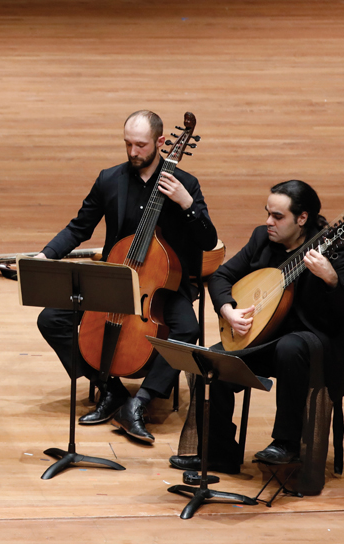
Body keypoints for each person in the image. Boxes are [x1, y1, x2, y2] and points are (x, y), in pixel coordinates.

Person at [34, 110, 218, 443]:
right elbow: (79, 227)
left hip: (164, 286)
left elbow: (208, 240)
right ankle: (110, 388)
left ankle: (140, 402)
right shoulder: (110, 179)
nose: (133, 152)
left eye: (141, 145)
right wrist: (46, 256)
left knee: (187, 329)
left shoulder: (185, 184)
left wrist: (186, 203)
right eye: (128, 144)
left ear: (161, 142)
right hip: (117, 279)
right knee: (51, 319)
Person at [169, 181, 344, 473]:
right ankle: (220, 455)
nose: (269, 222)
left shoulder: (335, 251)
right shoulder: (263, 239)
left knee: (290, 347)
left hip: (318, 344)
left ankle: (286, 444)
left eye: (278, 216)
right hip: (268, 337)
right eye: (268, 213)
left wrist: (331, 279)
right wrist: (228, 311)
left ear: (302, 218)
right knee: (212, 361)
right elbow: (221, 276)